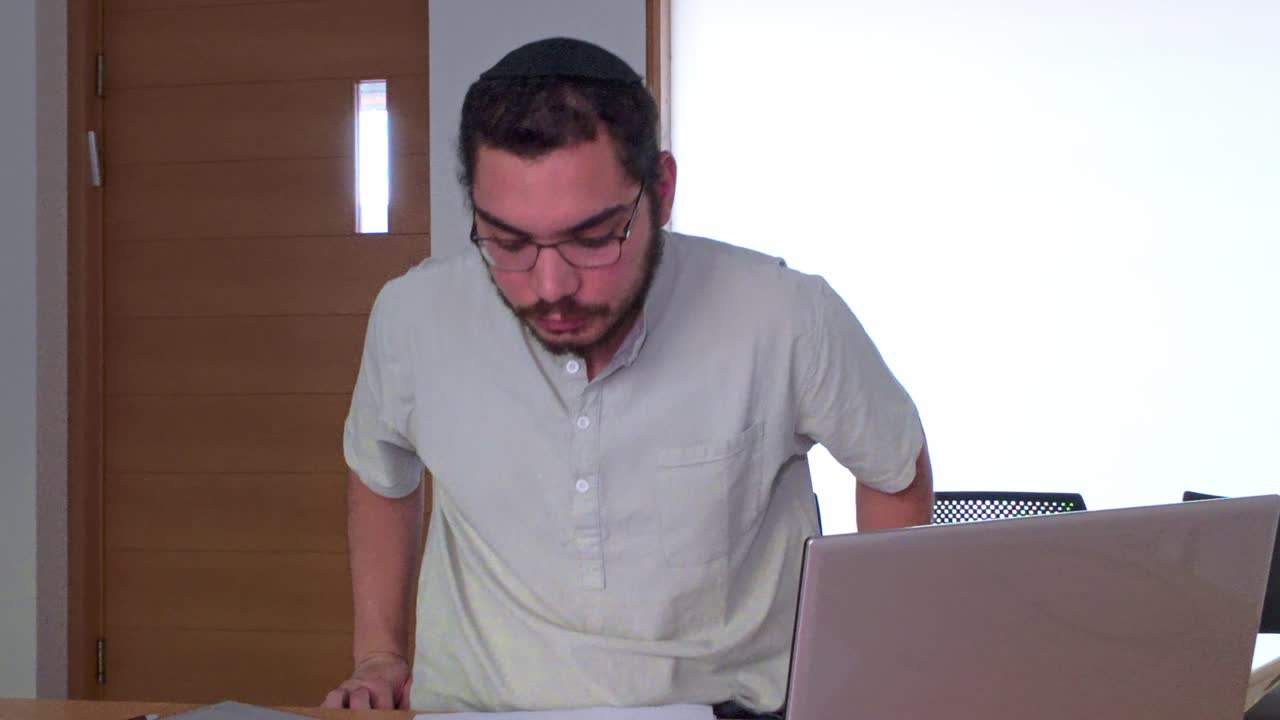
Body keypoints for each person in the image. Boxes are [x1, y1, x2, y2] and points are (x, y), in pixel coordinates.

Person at [323, 37, 932, 718]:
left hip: (724, 709)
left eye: (593, 238)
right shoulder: (413, 318)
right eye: (509, 242)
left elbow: (894, 468)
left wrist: (876, 668)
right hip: (479, 711)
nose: (550, 286)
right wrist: (378, 652)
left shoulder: (783, 315)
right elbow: (379, 470)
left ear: (662, 191)